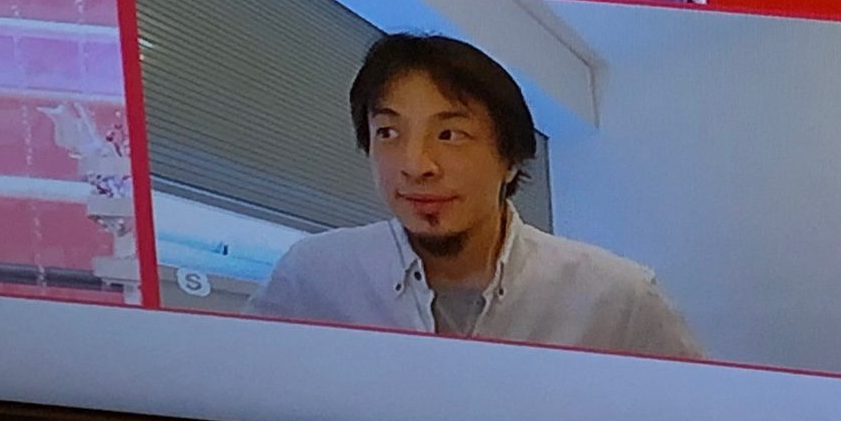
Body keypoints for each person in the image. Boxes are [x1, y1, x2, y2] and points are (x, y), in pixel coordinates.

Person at [250, 33, 702, 358]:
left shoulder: (619, 299)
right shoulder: (311, 277)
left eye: (449, 134)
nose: (415, 165)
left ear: (510, 160)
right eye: (388, 132)